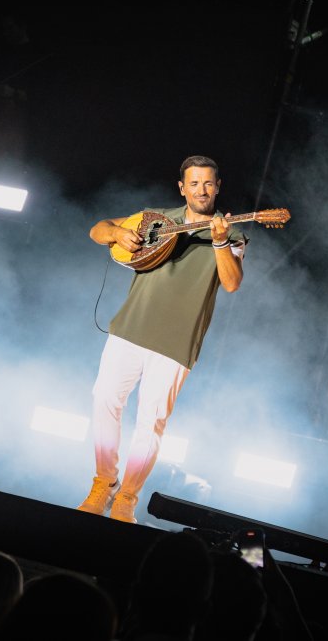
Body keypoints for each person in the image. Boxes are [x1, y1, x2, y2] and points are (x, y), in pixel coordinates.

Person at [77, 155, 247, 524]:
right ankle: (103, 482)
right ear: (182, 188)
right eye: (194, 183)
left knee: (151, 421)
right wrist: (118, 234)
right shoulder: (156, 218)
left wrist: (220, 243)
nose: (201, 190)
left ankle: (127, 497)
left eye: (208, 183)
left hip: (177, 340)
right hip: (131, 326)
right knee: (104, 398)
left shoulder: (231, 232)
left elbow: (232, 283)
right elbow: (98, 229)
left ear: (218, 187)